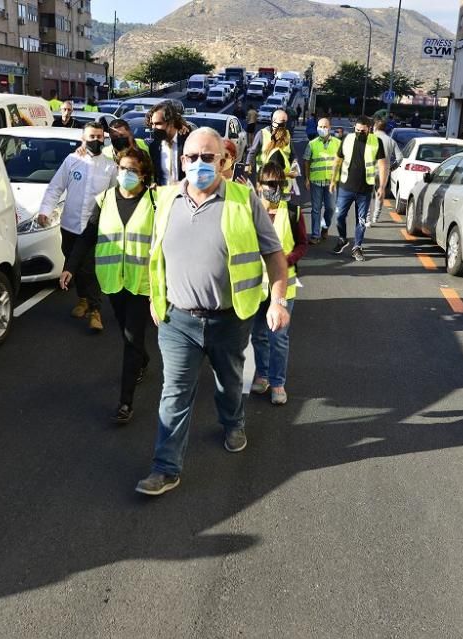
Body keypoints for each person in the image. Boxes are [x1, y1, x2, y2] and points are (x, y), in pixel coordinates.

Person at [135, 127, 290, 496]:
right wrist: (155, 301)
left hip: (230, 317)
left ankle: (233, 421)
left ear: (223, 161)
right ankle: (165, 467)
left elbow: (274, 254)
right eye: (192, 157)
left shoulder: (243, 198)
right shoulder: (167, 198)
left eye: (209, 157)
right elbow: (155, 255)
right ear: (182, 160)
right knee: (174, 392)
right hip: (178, 320)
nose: (200, 164)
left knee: (229, 382)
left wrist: (278, 300)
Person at [61, 149, 156, 422]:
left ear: (144, 174)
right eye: (122, 168)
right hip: (113, 281)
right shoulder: (104, 200)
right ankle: (144, 359)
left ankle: (125, 403)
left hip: (142, 282)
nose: (125, 174)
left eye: (132, 170)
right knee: (129, 333)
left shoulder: (155, 201)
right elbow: (87, 236)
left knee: (131, 336)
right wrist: (70, 267)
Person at [38, 122, 118, 332]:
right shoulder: (72, 160)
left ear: (104, 138)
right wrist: (45, 210)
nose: (96, 140)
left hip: (94, 229)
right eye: (91, 136)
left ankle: (95, 311)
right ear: (83, 138)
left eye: (100, 137)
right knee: (74, 264)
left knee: (88, 269)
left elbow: (115, 197)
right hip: (70, 225)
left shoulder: (110, 166)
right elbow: (56, 187)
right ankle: (82, 299)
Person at [250, 162, 307, 405]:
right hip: (254, 287)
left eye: (278, 184)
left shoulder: (292, 212)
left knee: (279, 336)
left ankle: (278, 383)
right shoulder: (250, 211)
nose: (274, 189)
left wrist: (287, 259)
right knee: (258, 335)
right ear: (259, 186)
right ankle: (262, 375)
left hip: (284, 288)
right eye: (269, 184)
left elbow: (303, 243)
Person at [331, 116, 388, 262]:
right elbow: (338, 160)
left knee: (361, 220)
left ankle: (357, 247)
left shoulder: (376, 142)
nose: (359, 133)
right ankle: (343, 239)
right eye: (357, 130)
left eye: (362, 131)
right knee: (339, 217)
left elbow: (383, 165)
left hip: (365, 189)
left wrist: (381, 186)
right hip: (345, 186)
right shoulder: (347, 139)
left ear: (369, 129)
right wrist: (332, 180)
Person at [302, 116, 340, 243]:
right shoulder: (312, 144)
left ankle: (325, 226)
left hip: (331, 182)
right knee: (316, 209)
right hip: (315, 181)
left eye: (325, 127)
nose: (322, 129)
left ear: (330, 128)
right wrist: (307, 178)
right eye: (320, 127)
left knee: (331, 208)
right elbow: (306, 161)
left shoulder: (337, 143)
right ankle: (315, 235)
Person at [245, 108, 298, 180]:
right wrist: (248, 165)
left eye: (284, 122)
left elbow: (293, 154)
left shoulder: (287, 135)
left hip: (284, 178)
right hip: (265, 177)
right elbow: (253, 152)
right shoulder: (262, 134)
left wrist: (294, 166)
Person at [146, 101, 190, 186]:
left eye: (158, 124)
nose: (154, 128)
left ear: (171, 123)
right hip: (163, 196)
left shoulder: (188, 143)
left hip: (184, 196)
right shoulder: (154, 146)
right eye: (152, 124)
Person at [368, 118, 401, 228]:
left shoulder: (369, 138)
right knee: (380, 193)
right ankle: (376, 216)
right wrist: (392, 167)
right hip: (384, 171)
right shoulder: (391, 141)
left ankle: (367, 218)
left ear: (375, 127)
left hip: (369, 170)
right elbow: (400, 157)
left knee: (367, 194)